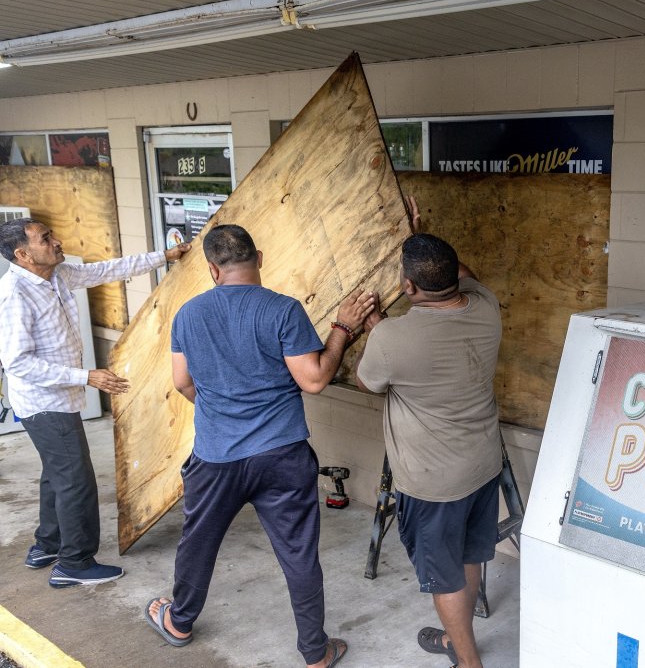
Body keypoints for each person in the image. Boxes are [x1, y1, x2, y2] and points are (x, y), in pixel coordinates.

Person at [142, 224, 375, 668]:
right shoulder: (283, 310)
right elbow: (314, 378)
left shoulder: (188, 315)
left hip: (216, 456)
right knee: (298, 553)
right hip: (282, 454)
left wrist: (222, 409)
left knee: (198, 542)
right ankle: (315, 652)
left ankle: (179, 621)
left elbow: (182, 383)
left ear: (212, 269)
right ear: (260, 258)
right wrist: (343, 328)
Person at [0, 218, 189, 587]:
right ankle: (74, 563)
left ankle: (47, 544)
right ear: (23, 254)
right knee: (76, 480)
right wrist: (86, 376)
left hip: (59, 399)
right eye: (45, 239)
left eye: (52, 235)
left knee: (57, 475)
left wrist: (164, 255)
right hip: (45, 403)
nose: (57, 242)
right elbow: (17, 362)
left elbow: (107, 269)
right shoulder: (15, 295)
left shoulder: (57, 275)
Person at [355, 207, 502, 668]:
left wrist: (372, 328)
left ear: (408, 287)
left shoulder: (391, 338)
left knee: (444, 578)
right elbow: (465, 274)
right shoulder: (486, 306)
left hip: (433, 484)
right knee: (469, 557)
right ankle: (458, 640)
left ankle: (468, 660)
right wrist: (422, 240)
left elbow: (367, 382)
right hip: (482, 467)